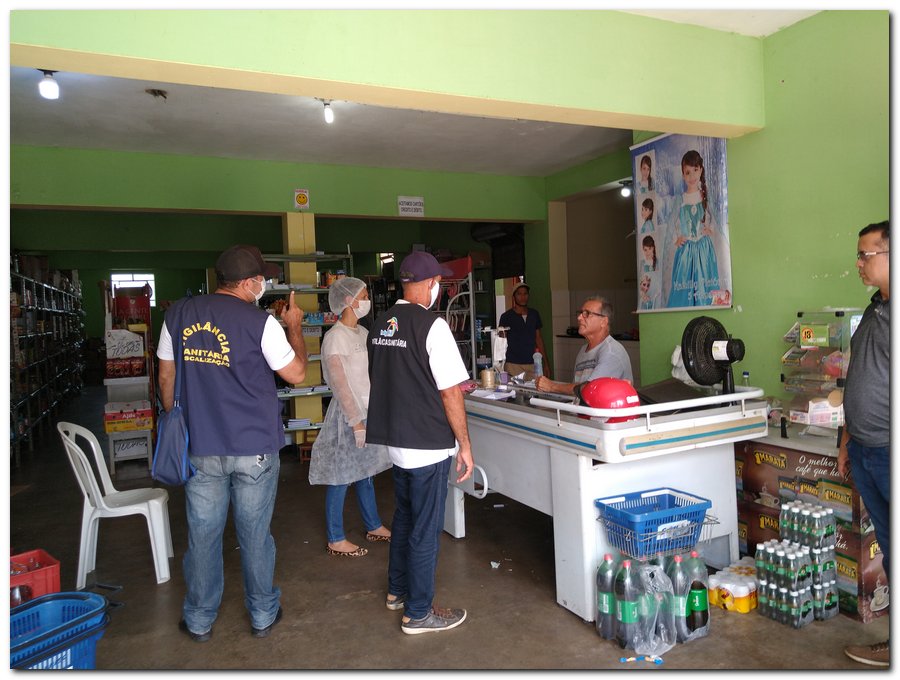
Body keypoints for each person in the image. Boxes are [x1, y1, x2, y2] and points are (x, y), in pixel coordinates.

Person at [157, 244, 308, 642]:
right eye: (262, 277)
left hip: (202, 444)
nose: (265, 283)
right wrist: (294, 325)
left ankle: (200, 618)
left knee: (203, 534)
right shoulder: (261, 323)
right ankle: (262, 614)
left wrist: (178, 419)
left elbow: (166, 378)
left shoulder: (178, 314)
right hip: (254, 447)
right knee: (255, 534)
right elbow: (296, 374)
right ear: (247, 282)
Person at [366, 250, 475, 635]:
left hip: (397, 441)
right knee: (425, 529)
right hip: (427, 443)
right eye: (438, 285)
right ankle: (418, 612)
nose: (439, 291)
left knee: (405, 518)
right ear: (430, 285)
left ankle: (397, 591)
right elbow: (451, 393)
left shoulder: (380, 324)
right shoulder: (433, 326)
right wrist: (465, 444)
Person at [309, 277, 392, 558]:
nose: (366, 301)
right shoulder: (335, 338)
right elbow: (340, 384)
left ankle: (373, 525)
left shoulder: (363, 334)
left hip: (369, 411)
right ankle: (335, 538)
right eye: (364, 296)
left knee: (365, 473)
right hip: (348, 416)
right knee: (341, 476)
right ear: (348, 301)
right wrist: (355, 422)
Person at [839, 221, 890, 667]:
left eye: (866, 254)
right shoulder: (874, 309)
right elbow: (859, 377)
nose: (858, 262)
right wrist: (845, 439)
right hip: (865, 449)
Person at [535, 296, 632, 397]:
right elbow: (577, 390)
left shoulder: (612, 351)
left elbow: (590, 388)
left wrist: (552, 386)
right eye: (580, 313)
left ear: (603, 321)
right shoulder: (583, 350)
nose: (579, 317)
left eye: (587, 314)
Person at [666, 149, 721, 308]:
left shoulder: (705, 196)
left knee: (705, 284)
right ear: (683, 174)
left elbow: (717, 218)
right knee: (685, 288)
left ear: (701, 170)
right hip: (686, 252)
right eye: (688, 172)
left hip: (704, 249)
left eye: (695, 170)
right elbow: (671, 224)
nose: (692, 176)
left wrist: (710, 229)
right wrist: (676, 239)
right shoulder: (680, 199)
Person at [497, 283, 551, 381]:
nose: (523, 297)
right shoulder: (506, 317)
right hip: (513, 364)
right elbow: (501, 343)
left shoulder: (534, 314)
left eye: (525, 294)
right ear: (514, 297)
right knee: (514, 394)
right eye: (519, 294)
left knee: (534, 393)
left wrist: (546, 364)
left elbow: (538, 339)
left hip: (533, 363)